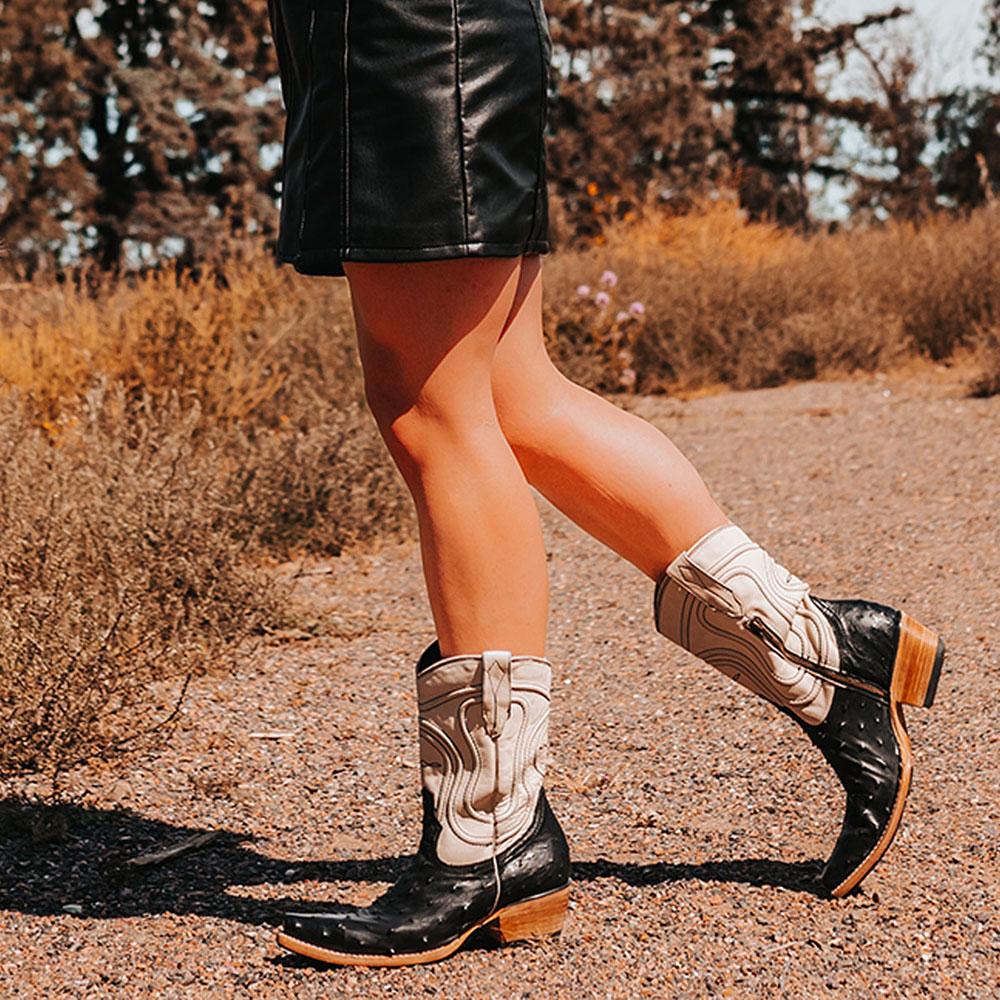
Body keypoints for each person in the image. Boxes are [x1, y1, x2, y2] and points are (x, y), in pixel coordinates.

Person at [265, 0, 944, 968]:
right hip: (380, 31)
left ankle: (490, 838)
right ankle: (821, 647)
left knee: (434, 410)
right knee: (509, 395)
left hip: (408, 28)